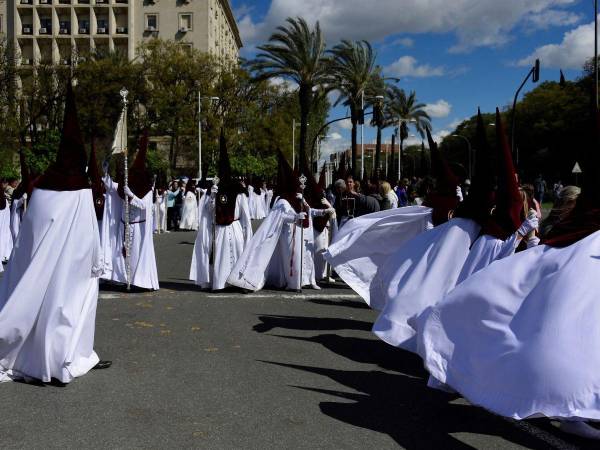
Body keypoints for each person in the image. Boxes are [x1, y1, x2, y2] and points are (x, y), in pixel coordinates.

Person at [0, 83, 110, 384]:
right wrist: (95, 261)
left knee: (43, 304)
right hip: (73, 265)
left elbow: (29, 235)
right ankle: (63, 359)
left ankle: (36, 357)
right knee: (68, 308)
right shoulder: (81, 192)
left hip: (40, 266)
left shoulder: (42, 190)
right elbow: (89, 234)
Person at [227, 152, 332, 292]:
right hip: (289, 235)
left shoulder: (300, 198)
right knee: (294, 261)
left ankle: (308, 280)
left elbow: (309, 210)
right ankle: (293, 284)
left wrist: (323, 212)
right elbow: (281, 217)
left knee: (307, 258)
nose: (299, 187)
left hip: (304, 233)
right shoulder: (282, 200)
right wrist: (295, 217)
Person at [190, 129, 253, 290]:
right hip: (220, 230)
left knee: (238, 254)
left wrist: (247, 233)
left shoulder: (238, 191)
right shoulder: (215, 189)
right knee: (221, 258)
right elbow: (210, 211)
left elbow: (245, 214)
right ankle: (220, 283)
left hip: (235, 227)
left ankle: (239, 282)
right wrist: (212, 196)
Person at [108, 132, 160, 291]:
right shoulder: (126, 184)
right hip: (126, 225)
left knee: (137, 254)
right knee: (125, 254)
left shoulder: (147, 189)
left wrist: (131, 196)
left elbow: (144, 206)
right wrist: (105, 175)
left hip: (138, 227)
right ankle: (127, 279)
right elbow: (112, 188)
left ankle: (140, 281)